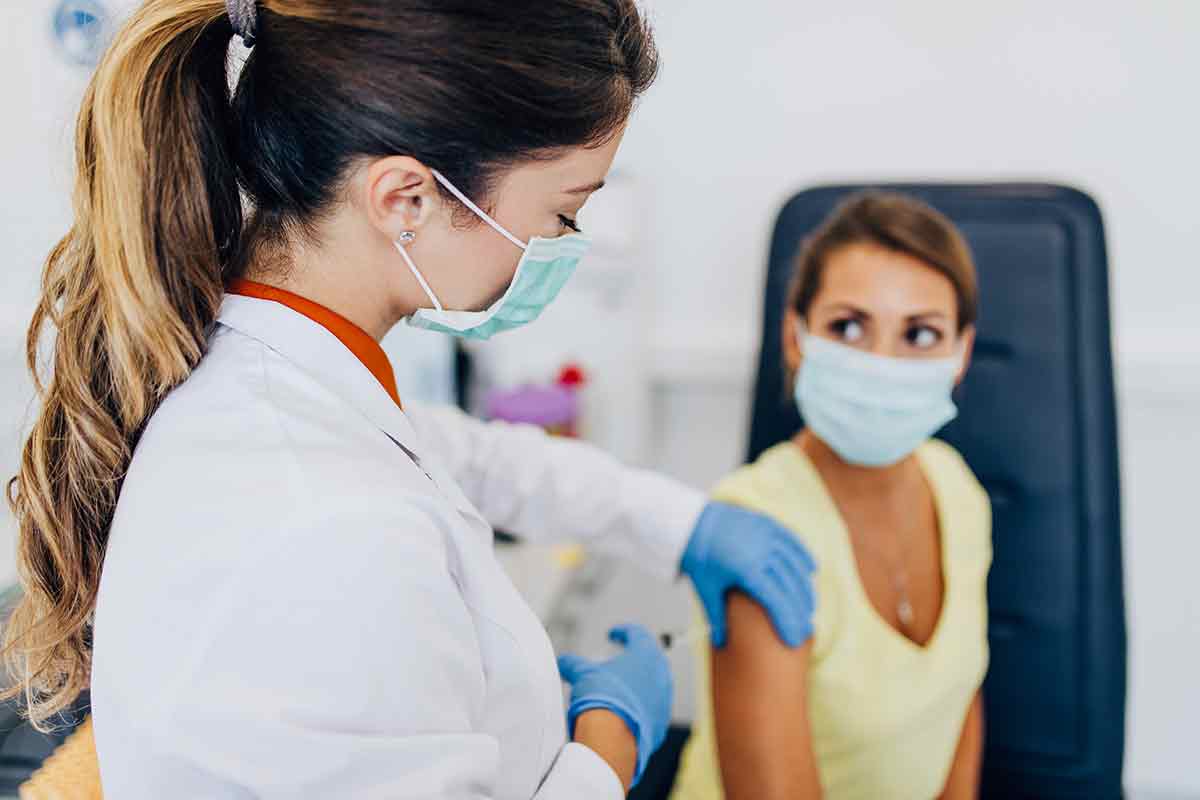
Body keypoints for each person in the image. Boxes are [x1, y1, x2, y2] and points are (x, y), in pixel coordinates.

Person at [1, 1, 817, 797]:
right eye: (564, 211)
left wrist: (679, 524)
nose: (566, 245)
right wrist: (605, 745)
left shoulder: (282, 371)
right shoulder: (321, 515)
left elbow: (460, 453)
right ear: (406, 200)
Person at [671, 193, 992, 799]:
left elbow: (960, 701)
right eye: (848, 326)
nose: (880, 363)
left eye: (920, 334)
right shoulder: (757, 532)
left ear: (960, 354)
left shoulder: (956, 488)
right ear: (796, 337)